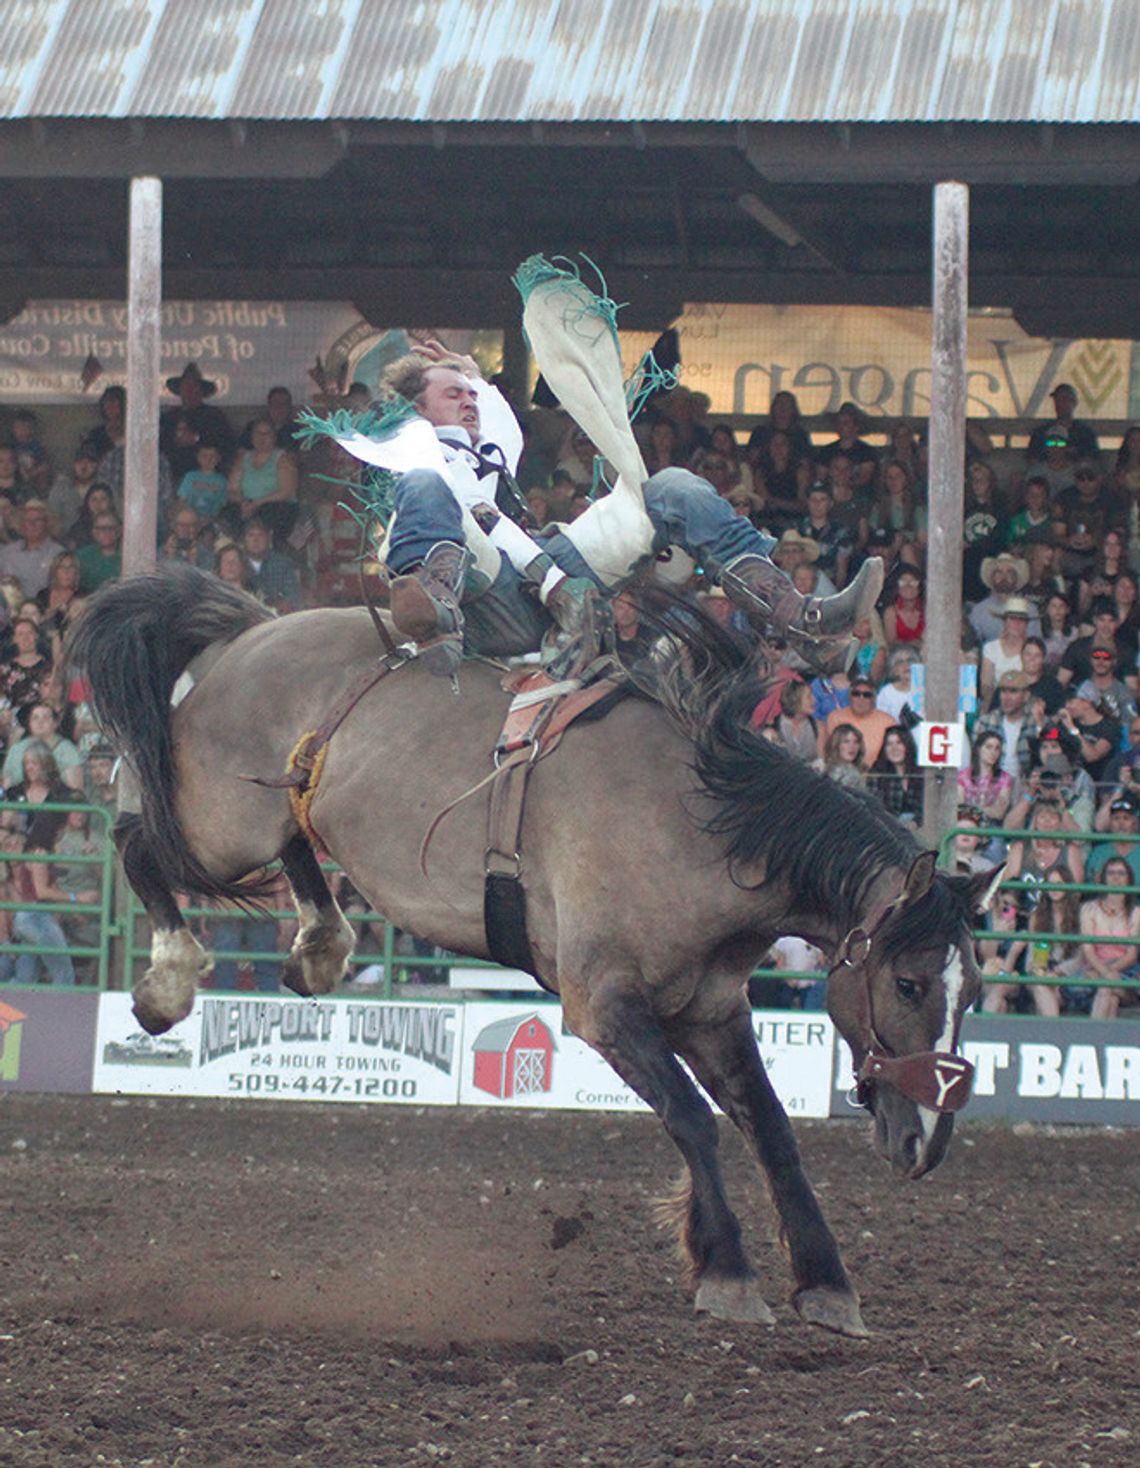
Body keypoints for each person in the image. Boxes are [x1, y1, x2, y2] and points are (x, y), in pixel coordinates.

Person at [353, 342, 880, 676]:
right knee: (429, 488)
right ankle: (433, 620)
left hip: (534, 584)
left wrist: (473, 376)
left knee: (671, 487)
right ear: (418, 409)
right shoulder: (417, 449)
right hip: (484, 601)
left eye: (470, 395)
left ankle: (802, 622)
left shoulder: (492, 447)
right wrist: (555, 582)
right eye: (452, 395)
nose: (468, 401)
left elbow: (500, 422)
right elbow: (480, 515)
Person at [1079, 855, 1140, 1019]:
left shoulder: (1136, 912)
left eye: (1121, 873)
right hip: (1094, 968)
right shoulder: (1088, 909)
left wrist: (1108, 973)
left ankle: (1091, 1040)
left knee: (1106, 987)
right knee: (1110, 999)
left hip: (1125, 972)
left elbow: (1131, 955)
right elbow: (1088, 949)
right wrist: (1104, 971)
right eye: (1111, 873)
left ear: (1128, 879)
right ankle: (1100, 1041)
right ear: (1104, 878)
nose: (1116, 877)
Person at [224, 416, 299, 541]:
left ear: (274, 437)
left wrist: (258, 503)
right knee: (230, 512)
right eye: (258, 433)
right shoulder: (243, 458)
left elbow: (287, 491)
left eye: (267, 433)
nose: (262, 437)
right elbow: (232, 488)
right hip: (247, 504)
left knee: (270, 513)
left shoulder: (283, 458)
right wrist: (243, 503)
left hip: (275, 506)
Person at [820, 674, 894, 765]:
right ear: (849, 697)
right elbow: (827, 751)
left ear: (874, 699)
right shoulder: (835, 718)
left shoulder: (888, 722)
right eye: (856, 694)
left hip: (876, 774)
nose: (861, 699)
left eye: (866, 695)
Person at [0, 500, 65, 600]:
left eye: (38, 520)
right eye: (27, 520)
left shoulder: (59, 553)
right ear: (22, 525)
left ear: (47, 524)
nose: (32, 524)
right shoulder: (6, 553)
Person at [1027, 382, 1100, 463]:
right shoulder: (1041, 432)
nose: (1060, 404)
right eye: (1057, 400)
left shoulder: (1085, 433)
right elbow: (1032, 458)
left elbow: (1092, 459)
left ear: (1074, 403)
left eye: (1064, 399)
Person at [241, 517, 303, 613]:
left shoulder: (282, 563)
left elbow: (293, 596)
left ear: (268, 538)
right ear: (244, 540)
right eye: (251, 535)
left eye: (260, 535)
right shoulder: (237, 562)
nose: (255, 540)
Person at [868, 724, 923, 826]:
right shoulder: (877, 774)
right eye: (889, 744)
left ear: (908, 745)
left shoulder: (920, 772)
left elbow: (927, 807)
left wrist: (915, 822)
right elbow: (875, 808)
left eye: (899, 743)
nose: (894, 748)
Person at [979, 597, 1032, 704]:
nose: (1017, 623)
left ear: (1026, 624)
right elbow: (986, 685)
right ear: (1005, 622)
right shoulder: (991, 648)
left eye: (1021, 619)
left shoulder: (1031, 649)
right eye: (1012, 619)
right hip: (995, 701)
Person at [958, 729, 1014, 829]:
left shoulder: (1005, 778)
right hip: (966, 824)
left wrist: (972, 809)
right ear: (979, 749)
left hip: (992, 826)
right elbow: (959, 808)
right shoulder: (963, 776)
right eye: (989, 747)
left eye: (997, 748)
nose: (993, 752)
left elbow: (999, 813)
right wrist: (986, 809)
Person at [75, 510, 122, 594]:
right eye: (101, 529)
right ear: (94, 532)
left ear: (118, 531)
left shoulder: (126, 555)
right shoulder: (82, 556)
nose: (106, 533)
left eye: (110, 528)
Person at [821, 722, 867, 790]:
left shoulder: (859, 770)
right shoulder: (826, 770)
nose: (852, 747)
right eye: (846, 741)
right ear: (836, 745)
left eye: (856, 742)